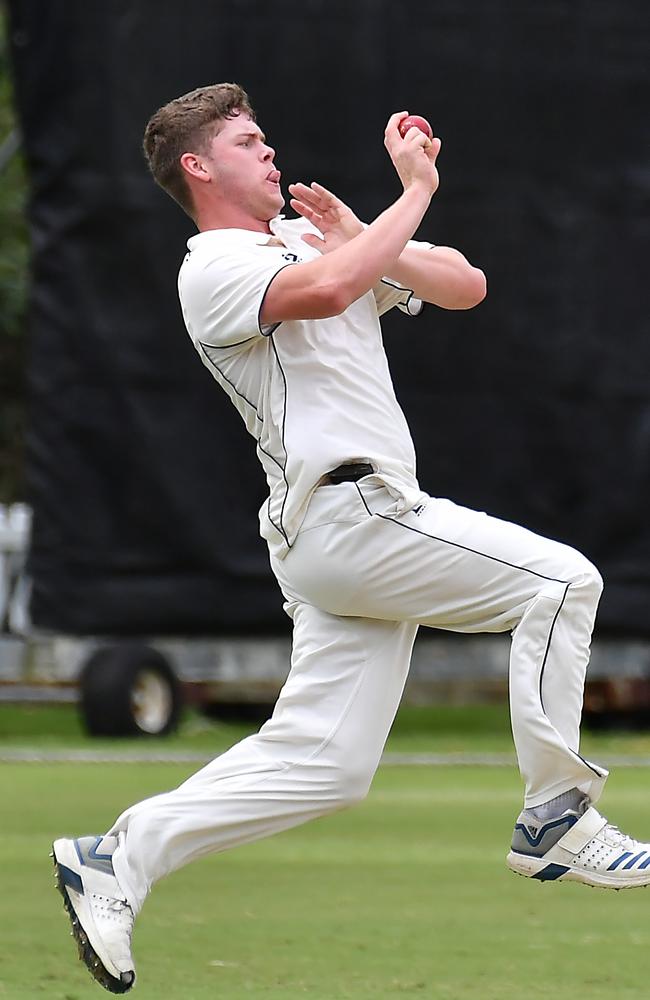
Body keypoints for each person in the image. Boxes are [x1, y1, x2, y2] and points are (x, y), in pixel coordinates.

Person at [52, 82, 650, 995]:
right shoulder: (211, 267)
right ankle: (558, 817)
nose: (271, 154)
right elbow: (332, 290)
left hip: (343, 534)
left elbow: (464, 287)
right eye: (250, 143)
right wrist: (407, 199)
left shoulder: (309, 240)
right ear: (198, 166)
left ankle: (113, 859)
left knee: (326, 767)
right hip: (351, 513)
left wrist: (383, 226)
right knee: (562, 582)